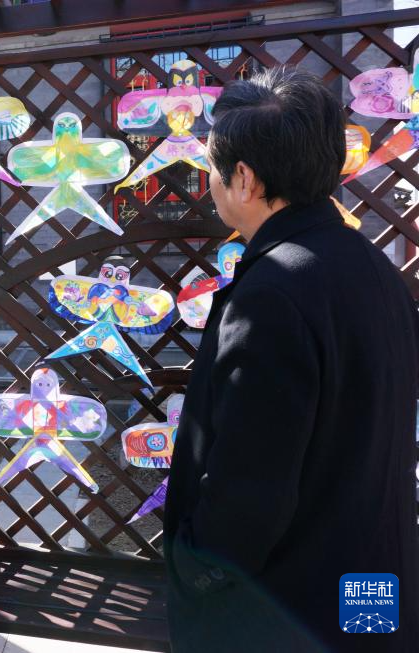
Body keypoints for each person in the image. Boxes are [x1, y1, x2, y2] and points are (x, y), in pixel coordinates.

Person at [164, 67, 419, 651]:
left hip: (288, 612)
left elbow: (250, 492)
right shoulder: (374, 269)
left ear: (244, 179)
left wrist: (193, 566)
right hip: (367, 593)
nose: (209, 179)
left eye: (212, 165)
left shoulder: (274, 294)